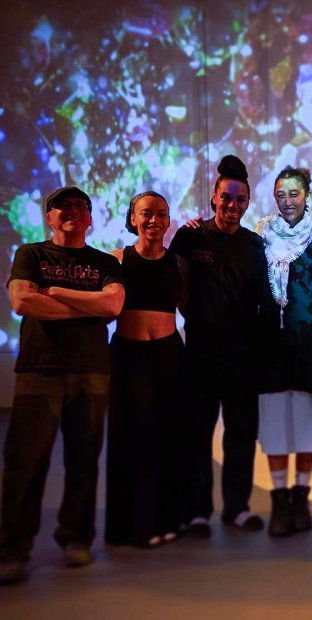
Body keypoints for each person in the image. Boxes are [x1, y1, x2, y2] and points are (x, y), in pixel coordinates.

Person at [0, 187, 124, 585]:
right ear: (49, 218)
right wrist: (84, 303)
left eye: (80, 207)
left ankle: (76, 538)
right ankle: (12, 549)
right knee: (24, 463)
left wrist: (51, 292)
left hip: (91, 371)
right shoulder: (30, 255)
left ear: (90, 219)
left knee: (84, 460)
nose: (72, 212)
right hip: (39, 370)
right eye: (62, 207)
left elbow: (112, 306)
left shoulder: (105, 262)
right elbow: (22, 303)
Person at [170, 155, 269, 538]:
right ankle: (197, 512)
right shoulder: (190, 237)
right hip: (200, 355)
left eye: (240, 200)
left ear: (247, 203)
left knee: (242, 435)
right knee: (197, 434)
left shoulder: (254, 245)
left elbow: (263, 299)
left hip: (244, 358)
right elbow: (178, 288)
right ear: (214, 197)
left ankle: (237, 508)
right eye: (226, 198)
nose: (232, 206)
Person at [105, 191, 188, 549]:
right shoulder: (117, 260)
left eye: (161, 214)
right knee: (130, 439)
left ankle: (167, 519)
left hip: (169, 356)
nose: (154, 220)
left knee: (168, 439)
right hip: (128, 356)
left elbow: (190, 307)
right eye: (146, 213)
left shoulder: (180, 264)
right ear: (133, 219)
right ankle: (129, 526)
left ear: (168, 221)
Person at [254, 166, 312, 537]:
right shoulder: (261, 234)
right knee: (274, 425)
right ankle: (280, 500)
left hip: (311, 345)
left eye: (294, 194)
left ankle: (301, 499)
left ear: (307, 196)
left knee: (308, 424)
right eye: (281, 194)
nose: (287, 201)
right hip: (270, 345)